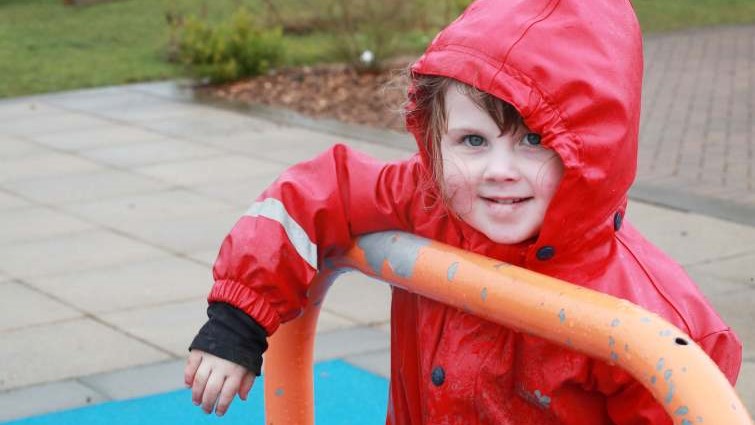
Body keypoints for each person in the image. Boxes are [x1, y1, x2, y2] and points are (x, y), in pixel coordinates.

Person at [184, 0, 743, 423]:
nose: (499, 170)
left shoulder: (650, 321)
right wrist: (239, 317)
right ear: (434, 138)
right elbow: (312, 192)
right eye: (473, 141)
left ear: (595, 148)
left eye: (534, 140)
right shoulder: (431, 197)